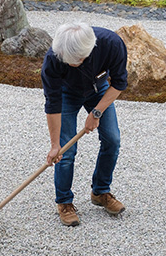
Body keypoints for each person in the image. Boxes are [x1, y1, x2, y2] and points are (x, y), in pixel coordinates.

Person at [41, 22, 128, 227]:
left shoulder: (111, 44)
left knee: (112, 140)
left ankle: (100, 192)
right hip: (66, 93)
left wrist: (96, 112)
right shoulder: (53, 59)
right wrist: (55, 145)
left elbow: (119, 83)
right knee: (66, 150)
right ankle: (64, 202)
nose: (71, 64)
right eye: (67, 60)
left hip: (99, 89)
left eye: (76, 61)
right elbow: (53, 105)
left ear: (89, 51)